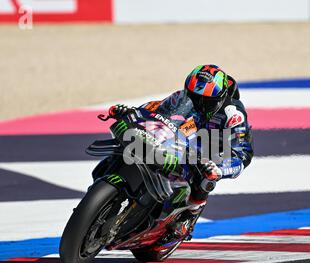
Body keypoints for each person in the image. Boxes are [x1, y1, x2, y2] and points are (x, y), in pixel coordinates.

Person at [109, 64, 254, 238]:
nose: (197, 103)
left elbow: (243, 152)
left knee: (205, 178)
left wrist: (220, 169)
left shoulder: (233, 114)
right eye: (192, 97)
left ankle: (188, 217)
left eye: (205, 101)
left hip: (213, 149)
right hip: (182, 138)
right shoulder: (182, 97)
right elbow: (156, 108)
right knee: (132, 144)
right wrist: (131, 112)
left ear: (220, 98)